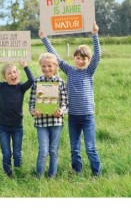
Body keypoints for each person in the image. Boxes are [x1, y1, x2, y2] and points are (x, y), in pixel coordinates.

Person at [39, 22, 101, 176]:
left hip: (87, 117)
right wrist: (44, 38)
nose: (81, 61)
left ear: (88, 60)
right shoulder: (70, 71)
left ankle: (96, 173)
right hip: (73, 117)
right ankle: (77, 171)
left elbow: (98, 56)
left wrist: (95, 35)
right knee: (74, 147)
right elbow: (57, 59)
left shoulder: (89, 72)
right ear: (74, 58)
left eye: (84, 58)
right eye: (78, 58)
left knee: (90, 147)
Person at [0, 59, 34, 177]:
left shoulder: (21, 88)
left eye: (14, 72)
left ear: (18, 74)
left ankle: (18, 175)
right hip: (3, 127)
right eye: (9, 73)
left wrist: (25, 66)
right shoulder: (1, 86)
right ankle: (9, 176)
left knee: (17, 154)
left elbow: (32, 80)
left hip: (17, 127)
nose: (13, 75)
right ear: (4, 77)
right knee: (6, 154)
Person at [29, 52, 68, 178]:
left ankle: (52, 176)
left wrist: (61, 111)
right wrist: (33, 111)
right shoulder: (37, 82)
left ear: (55, 66)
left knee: (53, 150)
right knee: (43, 151)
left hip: (56, 122)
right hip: (41, 122)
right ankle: (38, 177)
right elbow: (31, 102)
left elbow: (65, 103)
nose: (47, 69)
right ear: (40, 66)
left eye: (50, 66)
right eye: (44, 66)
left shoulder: (60, 82)